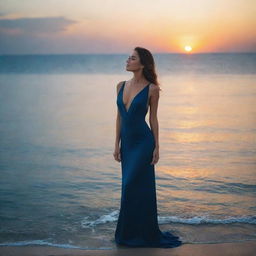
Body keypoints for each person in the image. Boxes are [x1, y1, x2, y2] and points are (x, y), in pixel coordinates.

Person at [113, 46, 183, 248]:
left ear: (142, 63)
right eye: (128, 57)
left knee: (133, 186)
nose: (127, 60)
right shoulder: (119, 85)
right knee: (130, 188)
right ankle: (128, 233)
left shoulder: (152, 89)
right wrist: (116, 144)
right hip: (127, 144)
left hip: (143, 143)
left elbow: (153, 119)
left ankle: (143, 234)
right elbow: (119, 117)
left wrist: (157, 147)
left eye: (132, 58)